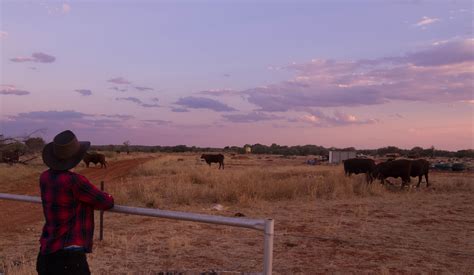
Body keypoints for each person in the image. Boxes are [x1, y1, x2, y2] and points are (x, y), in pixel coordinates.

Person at [37, 130, 114, 275]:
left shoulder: (44, 177)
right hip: (69, 256)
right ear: (77, 158)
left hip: (46, 251)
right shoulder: (75, 180)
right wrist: (107, 195)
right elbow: (106, 202)